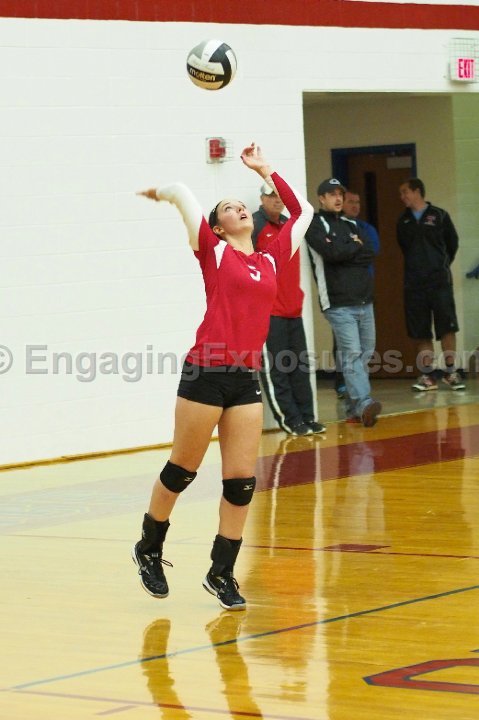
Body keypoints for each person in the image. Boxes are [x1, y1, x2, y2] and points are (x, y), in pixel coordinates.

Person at [134, 143, 314, 611]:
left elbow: (304, 212)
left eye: (241, 204)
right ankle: (149, 548)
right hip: (206, 372)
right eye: (228, 208)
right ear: (217, 227)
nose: (239, 208)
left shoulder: (271, 258)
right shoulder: (213, 252)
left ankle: (221, 572)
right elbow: (182, 191)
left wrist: (266, 171)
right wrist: (162, 192)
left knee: (241, 483)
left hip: (244, 378)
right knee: (182, 471)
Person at [305, 178, 382, 427]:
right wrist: (352, 247)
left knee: (365, 353)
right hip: (338, 303)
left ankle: (353, 408)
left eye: (340, 194)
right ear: (321, 198)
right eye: (332, 194)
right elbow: (331, 253)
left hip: (364, 300)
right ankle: (364, 402)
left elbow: (368, 253)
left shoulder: (352, 224)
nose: (338, 198)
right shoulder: (315, 224)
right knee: (352, 354)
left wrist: (345, 250)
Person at [252, 183, 325, 436]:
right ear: (262, 198)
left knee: (300, 368)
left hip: (293, 309)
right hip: (268, 313)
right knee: (277, 370)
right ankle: (290, 420)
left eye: (279, 196)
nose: (277, 200)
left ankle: (308, 417)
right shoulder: (254, 226)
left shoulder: (290, 225)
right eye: (271, 196)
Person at [397, 178, 465, 391]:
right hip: (414, 285)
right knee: (421, 331)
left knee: (447, 327)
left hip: (439, 282)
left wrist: (439, 265)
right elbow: (404, 248)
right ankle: (427, 376)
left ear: (417, 191)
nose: (402, 197)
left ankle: (451, 372)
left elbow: (452, 244)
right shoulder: (403, 221)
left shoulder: (440, 215)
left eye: (405, 192)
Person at [332, 190, 381, 397]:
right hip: (343, 296)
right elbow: (335, 256)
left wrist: (350, 255)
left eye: (358, 202)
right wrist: (353, 251)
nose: (355, 205)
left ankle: (359, 389)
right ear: (341, 203)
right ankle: (346, 387)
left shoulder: (366, 228)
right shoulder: (334, 228)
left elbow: (371, 251)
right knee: (346, 346)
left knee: (366, 347)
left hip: (365, 292)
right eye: (351, 201)